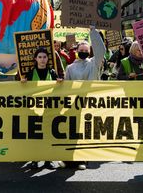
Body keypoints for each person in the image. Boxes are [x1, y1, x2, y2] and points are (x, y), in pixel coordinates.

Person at [62, 25, 105, 170]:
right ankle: (67, 160)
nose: (83, 53)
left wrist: (93, 31)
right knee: (72, 132)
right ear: (76, 52)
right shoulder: (70, 68)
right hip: (74, 105)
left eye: (86, 51)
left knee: (85, 133)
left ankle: (82, 160)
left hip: (90, 103)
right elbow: (66, 88)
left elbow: (101, 51)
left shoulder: (94, 63)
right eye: (81, 51)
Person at [21, 47, 62, 170]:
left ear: (47, 59)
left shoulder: (52, 72)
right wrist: (22, 82)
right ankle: (34, 159)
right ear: (35, 59)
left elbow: (59, 90)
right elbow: (24, 90)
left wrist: (60, 82)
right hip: (34, 110)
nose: (42, 60)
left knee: (48, 135)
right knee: (35, 136)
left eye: (44, 57)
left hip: (49, 109)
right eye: (40, 57)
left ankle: (48, 160)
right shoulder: (30, 73)